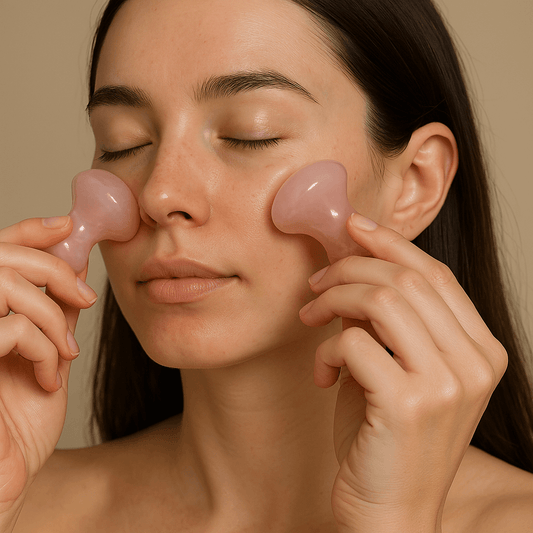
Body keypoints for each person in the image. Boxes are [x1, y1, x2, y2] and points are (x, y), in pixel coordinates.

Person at [1, 0, 532, 531]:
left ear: (415, 183)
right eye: (123, 143)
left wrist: (396, 521)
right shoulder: (18, 504)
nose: (159, 194)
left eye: (251, 134)